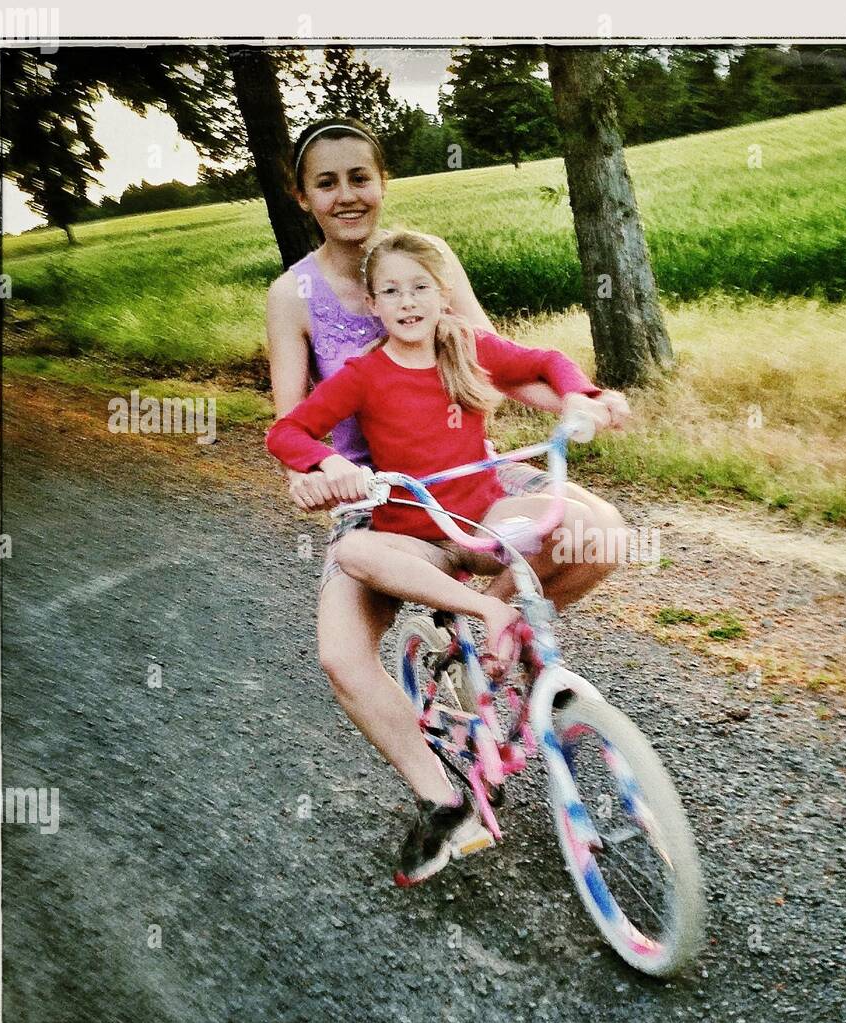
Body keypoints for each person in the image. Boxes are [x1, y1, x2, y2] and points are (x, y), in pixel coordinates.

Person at [265, 118, 630, 882]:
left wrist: (581, 398)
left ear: (382, 180)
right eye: (325, 182)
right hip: (379, 499)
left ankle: (499, 639)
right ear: (304, 196)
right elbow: (293, 425)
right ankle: (445, 804)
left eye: (358, 177)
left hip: (470, 474)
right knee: (340, 654)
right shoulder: (292, 295)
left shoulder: (427, 262)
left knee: (599, 533)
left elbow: (493, 360)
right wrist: (315, 472)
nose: (345, 195)